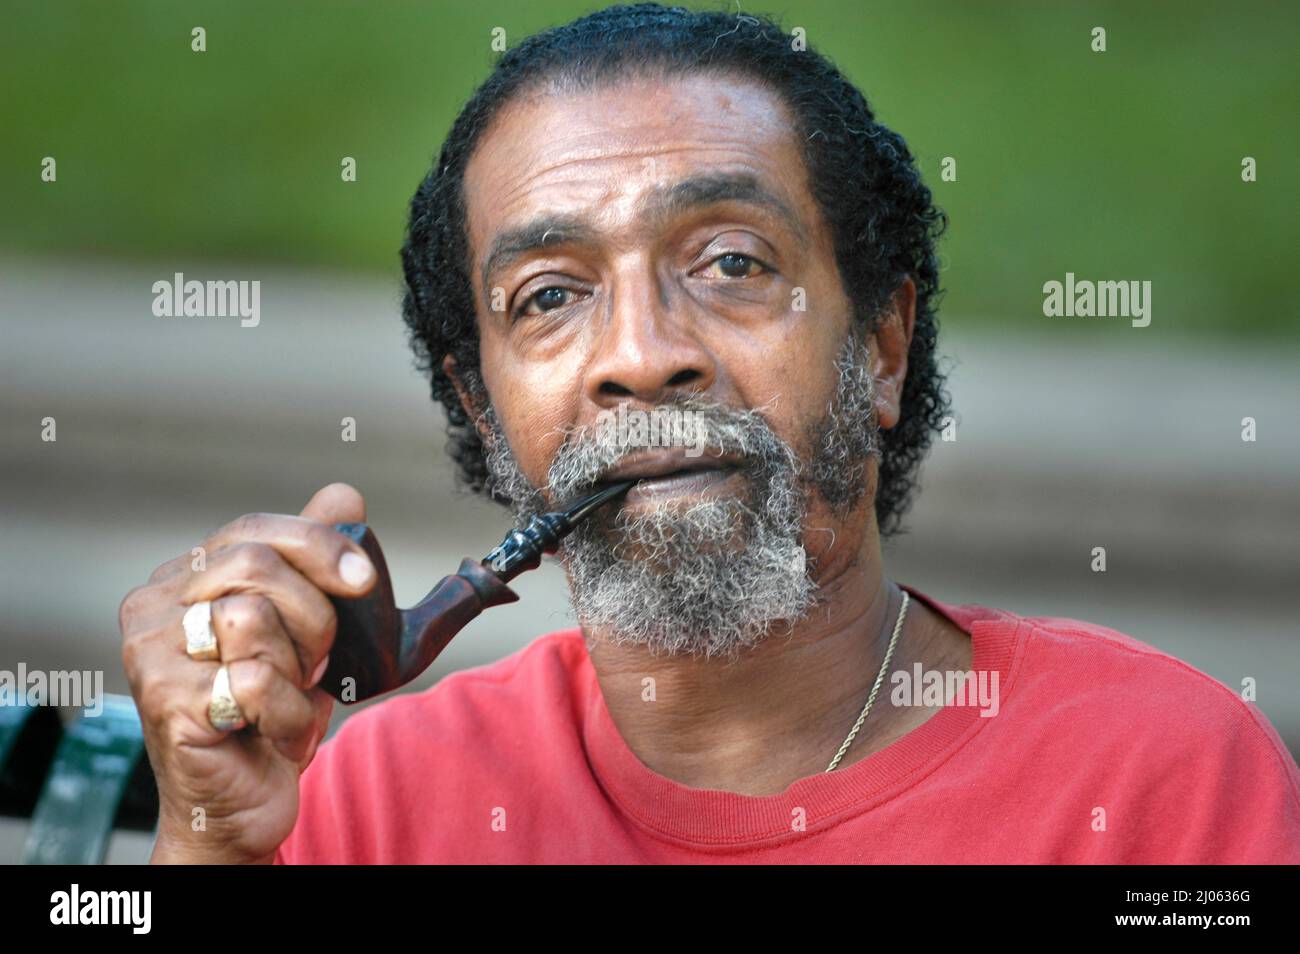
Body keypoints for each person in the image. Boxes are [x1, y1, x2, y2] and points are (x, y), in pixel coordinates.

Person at [118, 3, 1300, 863]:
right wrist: (204, 848)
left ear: (879, 348)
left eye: (732, 264)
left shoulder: (1156, 778)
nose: (642, 352)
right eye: (550, 295)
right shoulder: (376, 795)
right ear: (482, 410)